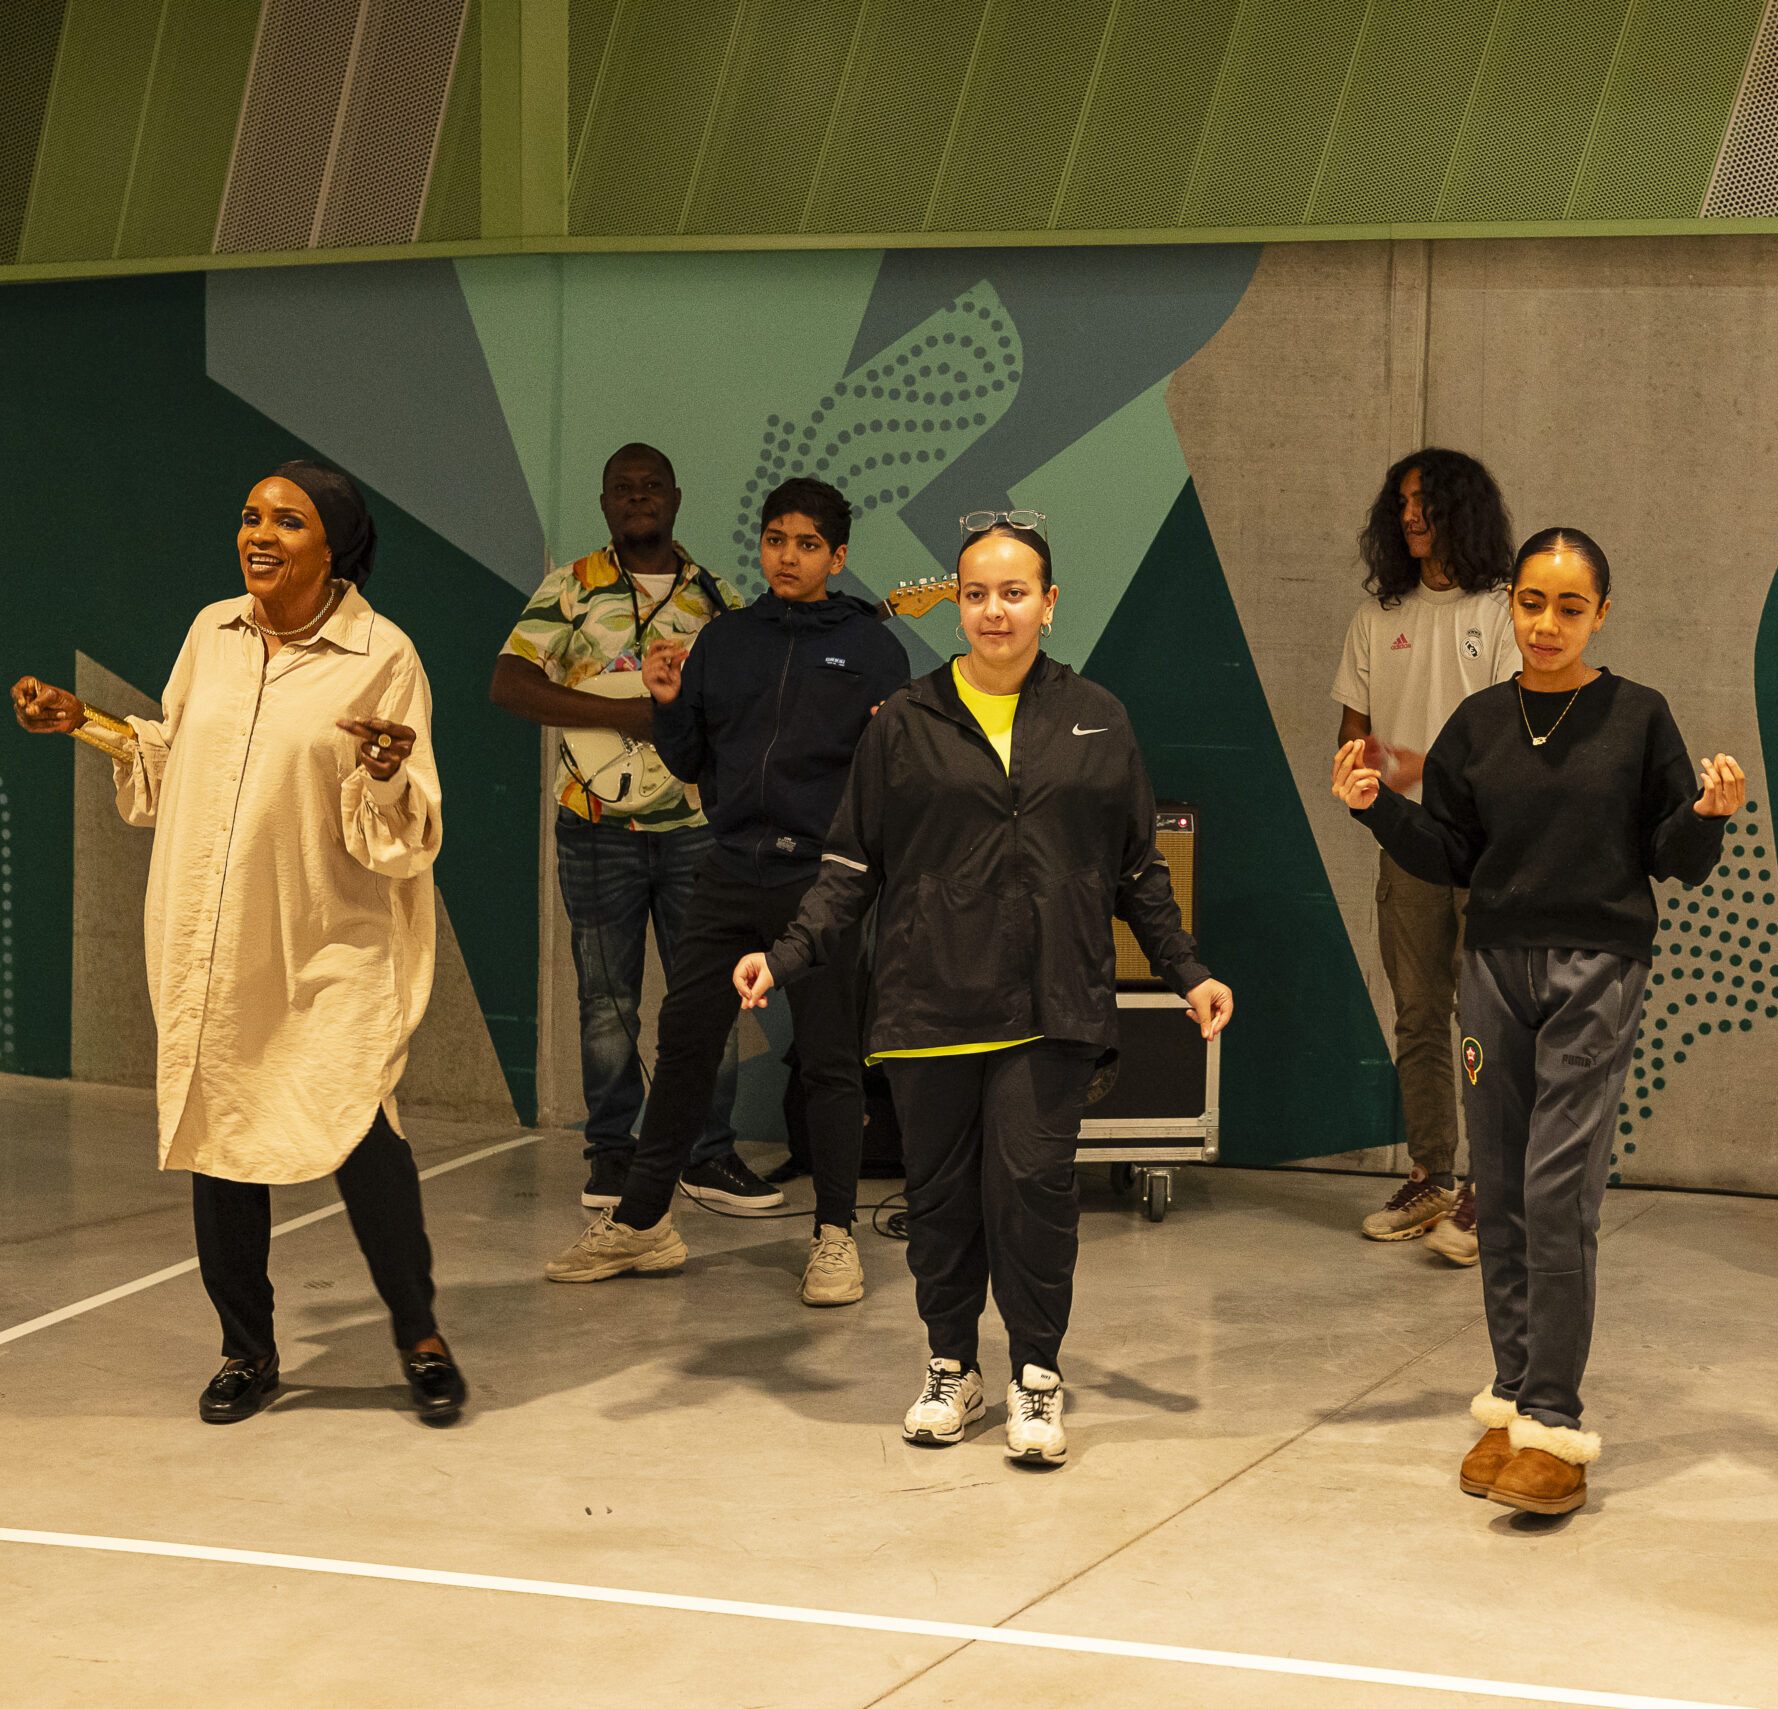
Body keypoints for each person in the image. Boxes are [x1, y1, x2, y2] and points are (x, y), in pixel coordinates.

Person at [736, 513, 1234, 1465]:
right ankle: (952, 1365)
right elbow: (850, 864)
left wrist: (1189, 970)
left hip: (1052, 1002)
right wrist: (786, 954)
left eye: (1014, 592)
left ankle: (1036, 1374)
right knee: (941, 1200)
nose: (993, 610)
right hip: (930, 1002)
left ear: (1049, 603)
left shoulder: (1098, 717)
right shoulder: (905, 720)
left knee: (1033, 1189)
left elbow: (1137, 869)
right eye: (975, 594)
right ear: (956, 605)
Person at [10, 461, 465, 1426]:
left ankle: (420, 1336)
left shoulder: (383, 654)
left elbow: (405, 828)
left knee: (358, 1121)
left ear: (333, 549)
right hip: (214, 930)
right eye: (251, 517)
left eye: (287, 522)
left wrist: (386, 769)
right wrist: (86, 723)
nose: (259, 535)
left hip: (325, 939)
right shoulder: (211, 632)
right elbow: (176, 755)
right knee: (219, 1128)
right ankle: (245, 1349)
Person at [1333, 528, 1745, 1517]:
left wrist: (1708, 814)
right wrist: (1376, 807)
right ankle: (1514, 1397)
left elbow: (1674, 858)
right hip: (1492, 967)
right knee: (1503, 1189)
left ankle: (1555, 1419)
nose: (1547, 623)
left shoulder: (1638, 715)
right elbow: (1450, 852)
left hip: (1597, 966)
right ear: (1509, 606)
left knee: (1558, 1191)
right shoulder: (1478, 722)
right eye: (1531, 602)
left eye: (1569, 606)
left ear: (1601, 613)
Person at [543, 478, 908, 1306]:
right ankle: (644, 1223)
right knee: (685, 1043)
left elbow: (887, 773)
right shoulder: (725, 639)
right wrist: (669, 703)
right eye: (776, 540)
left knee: (830, 1059)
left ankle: (836, 1236)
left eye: (807, 544)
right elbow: (687, 758)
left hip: (822, 882)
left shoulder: (872, 649)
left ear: (838, 557)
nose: (788, 556)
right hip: (729, 867)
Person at [492, 444, 754, 1213]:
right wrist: (625, 715)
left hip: (697, 825)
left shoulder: (719, 597)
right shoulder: (570, 588)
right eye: (623, 488)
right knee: (606, 1002)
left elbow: (751, 689)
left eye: (651, 486)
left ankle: (709, 1153)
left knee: (711, 996)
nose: (638, 497)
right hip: (596, 824)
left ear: (676, 497)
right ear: (605, 502)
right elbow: (510, 682)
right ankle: (611, 1152)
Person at [1331, 449, 1518, 1261]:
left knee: (1489, 1019)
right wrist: (1373, 767)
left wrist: (1426, 769)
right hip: (1406, 844)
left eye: (1427, 501)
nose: (1410, 515)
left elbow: (1518, 741)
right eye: (1401, 502)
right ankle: (1432, 1174)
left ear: (1461, 511)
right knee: (1417, 1012)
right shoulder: (1376, 619)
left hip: (1490, 849)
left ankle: (1490, 1187)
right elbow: (1353, 739)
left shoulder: (1505, 612)